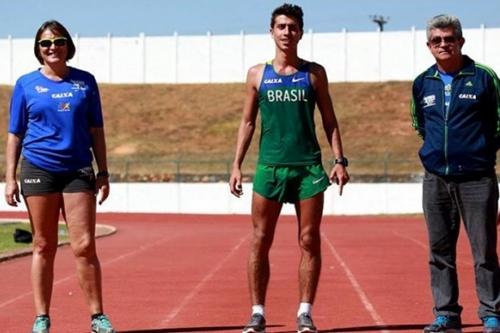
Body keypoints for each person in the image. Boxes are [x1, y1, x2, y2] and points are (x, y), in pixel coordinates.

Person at [229, 4, 349, 333]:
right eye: (281, 26)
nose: (286, 32)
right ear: (271, 31)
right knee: (259, 240)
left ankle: (304, 312)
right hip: (269, 168)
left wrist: (338, 160)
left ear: (301, 32)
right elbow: (248, 121)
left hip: (308, 169)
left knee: (309, 239)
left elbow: (329, 120)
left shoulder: (314, 73)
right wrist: (236, 165)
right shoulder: (257, 74)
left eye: (292, 27)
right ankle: (257, 313)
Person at [4, 20, 116, 333]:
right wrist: (9, 177)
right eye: (46, 43)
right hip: (38, 168)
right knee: (43, 245)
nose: (53, 47)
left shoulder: (85, 82)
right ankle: (42, 317)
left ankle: (97, 317)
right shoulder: (26, 84)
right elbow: (15, 134)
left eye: (59, 41)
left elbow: (96, 130)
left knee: (84, 245)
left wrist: (103, 171)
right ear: (38, 50)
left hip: (78, 169)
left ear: (68, 45)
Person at [411, 14, 500, 333]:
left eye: (449, 39)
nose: (444, 44)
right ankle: (446, 313)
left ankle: (491, 312)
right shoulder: (422, 82)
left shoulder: (484, 77)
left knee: (484, 249)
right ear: (429, 46)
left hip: (477, 178)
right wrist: (438, 152)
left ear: (461, 41)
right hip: (436, 178)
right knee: (439, 251)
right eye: (437, 40)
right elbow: (421, 124)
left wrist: (479, 152)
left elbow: (499, 123)